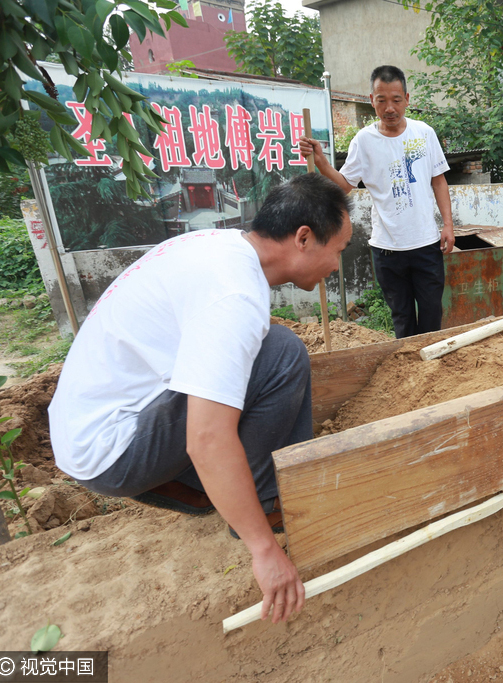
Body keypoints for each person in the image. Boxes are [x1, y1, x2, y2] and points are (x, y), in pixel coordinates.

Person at [48, 174, 353, 625]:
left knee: (261, 354)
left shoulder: (219, 247)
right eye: (339, 251)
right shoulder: (233, 295)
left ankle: (195, 489)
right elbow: (207, 439)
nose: (337, 266)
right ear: (304, 238)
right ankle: (264, 511)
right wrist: (265, 553)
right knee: (281, 353)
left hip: (87, 431)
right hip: (111, 449)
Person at [299, 64, 455, 338]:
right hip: (387, 250)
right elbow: (345, 185)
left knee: (431, 315)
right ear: (372, 100)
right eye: (381, 100)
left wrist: (448, 225)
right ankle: (407, 375)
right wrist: (322, 162)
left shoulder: (424, 133)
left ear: (407, 99)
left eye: (396, 99)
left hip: (426, 245)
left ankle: (430, 373)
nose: (389, 108)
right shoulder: (364, 140)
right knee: (402, 319)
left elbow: (438, 181)